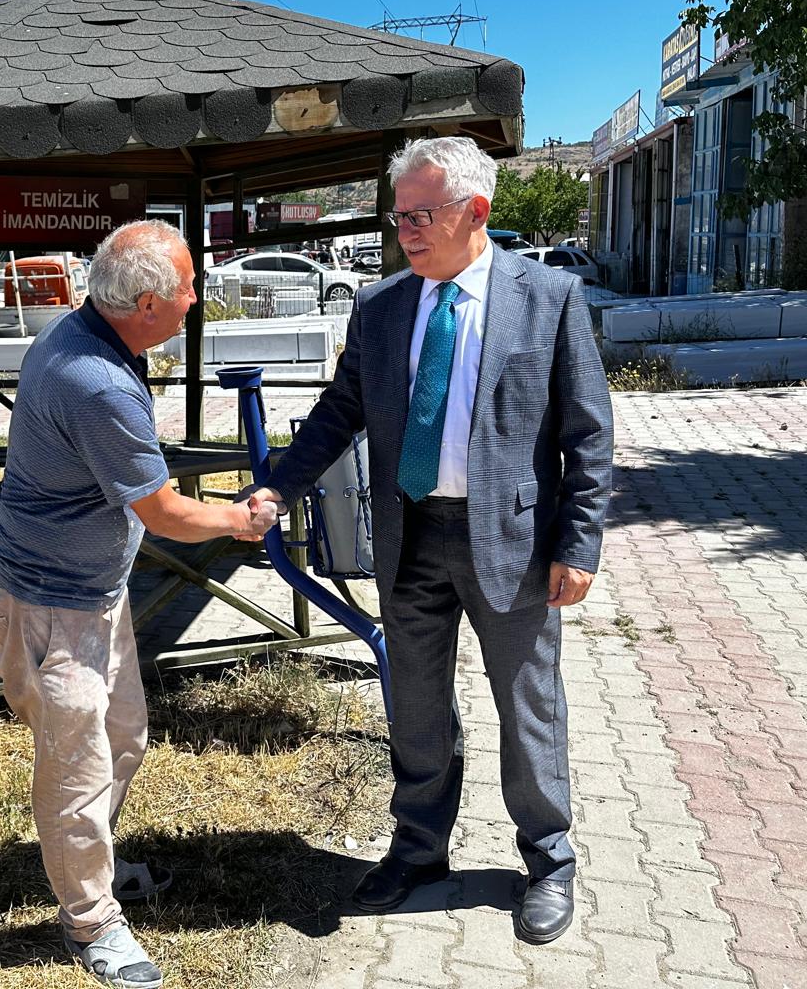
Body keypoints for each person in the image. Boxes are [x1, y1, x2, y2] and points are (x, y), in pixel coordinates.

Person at [242, 136, 612, 944]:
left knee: (528, 707)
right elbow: (339, 412)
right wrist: (276, 487)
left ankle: (549, 860)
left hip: (512, 542)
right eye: (399, 215)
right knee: (415, 706)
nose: (405, 230)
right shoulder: (380, 307)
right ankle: (418, 850)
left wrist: (579, 545)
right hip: (411, 535)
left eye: (422, 214)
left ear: (476, 211)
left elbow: (588, 434)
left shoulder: (547, 298)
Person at [0, 219, 278, 989]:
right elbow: (165, 514)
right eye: (188, 287)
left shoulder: (84, 334)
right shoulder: (100, 382)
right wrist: (239, 519)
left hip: (88, 597)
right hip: (50, 608)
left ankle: (88, 861)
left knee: (122, 738)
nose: (195, 299)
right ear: (147, 304)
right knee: (77, 769)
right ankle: (92, 922)